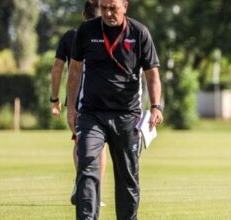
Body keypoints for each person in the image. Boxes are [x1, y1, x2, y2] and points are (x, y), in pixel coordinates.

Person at [66, 0, 163, 219]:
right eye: (104, 8)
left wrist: (155, 106)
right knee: (87, 166)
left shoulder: (139, 33)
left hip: (127, 116)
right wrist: (70, 108)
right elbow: (74, 70)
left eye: (113, 8)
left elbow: (152, 74)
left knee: (127, 176)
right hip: (92, 114)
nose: (108, 13)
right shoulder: (86, 31)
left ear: (125, 6)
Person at [49, 0, 108, 207]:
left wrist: (55, 100)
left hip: (77, 101)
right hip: (105, 100)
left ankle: (82, 184)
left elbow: (57, 70)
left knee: (80, 142)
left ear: (84, 15)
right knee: (101, 148)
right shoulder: (109, 35)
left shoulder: (70, 36)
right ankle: (93, 191)